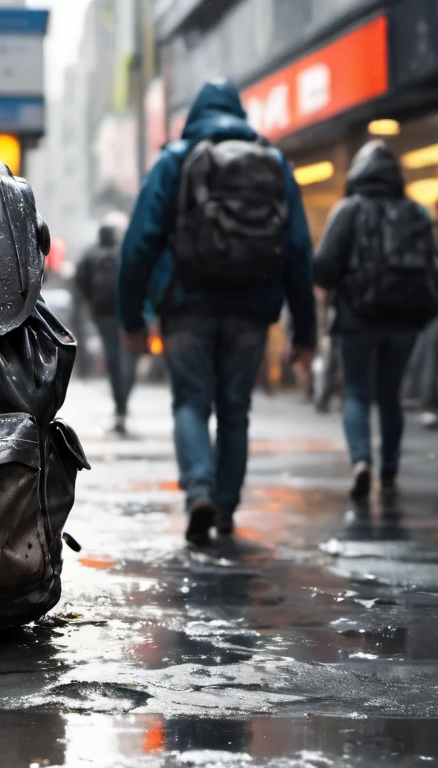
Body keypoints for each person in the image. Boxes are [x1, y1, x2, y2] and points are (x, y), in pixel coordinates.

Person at [117, 79, 316, 545]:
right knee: (235, 409)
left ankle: (200, 490)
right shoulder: (275, 163)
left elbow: (139, 243)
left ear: (194, 116)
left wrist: (132, 318)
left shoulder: (176, 159)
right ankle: (225, 508)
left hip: (188, 303)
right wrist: (304, 331)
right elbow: (299, 250)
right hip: (252, 306)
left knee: (190, 401)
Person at [314, 141, 438, 498]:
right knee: (390, 396)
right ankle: (389, 470)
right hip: (404, 320)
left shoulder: (348, 210)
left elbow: (323, 267)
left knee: (356, 391)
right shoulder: (415, 212)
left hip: (357, 317)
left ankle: (361, 461)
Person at [76, 214, 138, 435]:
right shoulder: (124, 252)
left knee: (113, 357)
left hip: (103, 314)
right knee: (128, 357)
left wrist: (90, 304)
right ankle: (123, 400)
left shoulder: (91, 254)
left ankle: (120, 402)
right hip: (125, 311)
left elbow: (79, 280)